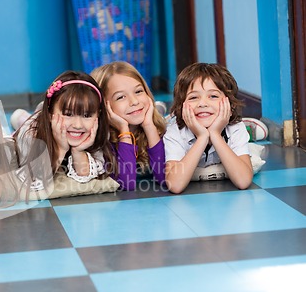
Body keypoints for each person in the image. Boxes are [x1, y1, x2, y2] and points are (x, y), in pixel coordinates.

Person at [13, 70, 114, 192]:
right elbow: (33, 182)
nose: (78, 125)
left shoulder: (98, 131)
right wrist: (61, 149)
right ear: (50, 114)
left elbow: (86, 175)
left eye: (87, 115)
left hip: (51, 118)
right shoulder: (31, 134)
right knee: (29, 120)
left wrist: (78, 151)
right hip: (36, 124)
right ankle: (21, 118)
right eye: (68, 114)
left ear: (98, 115)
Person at [163, 62, 253, 193]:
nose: (203, 103)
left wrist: (215, 134)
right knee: (162, 126)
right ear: (181, 105)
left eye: (213, 96)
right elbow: (175, 185)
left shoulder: (235, 128)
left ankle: (252, 128)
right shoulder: (175, 131)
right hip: (172, 122)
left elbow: (243, 181)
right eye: (193, 97)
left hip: (230, 124)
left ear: (230, 103)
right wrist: (202, 137)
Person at [91, 61, 167, 190]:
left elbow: (165, 178)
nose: (134, 101)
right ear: (103, 106)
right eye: (121, 97)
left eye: (138, 91)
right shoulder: (101, 142)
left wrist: (149, 126)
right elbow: (127, 184)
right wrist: (124, 131)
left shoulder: (162, 131)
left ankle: (159, 111)